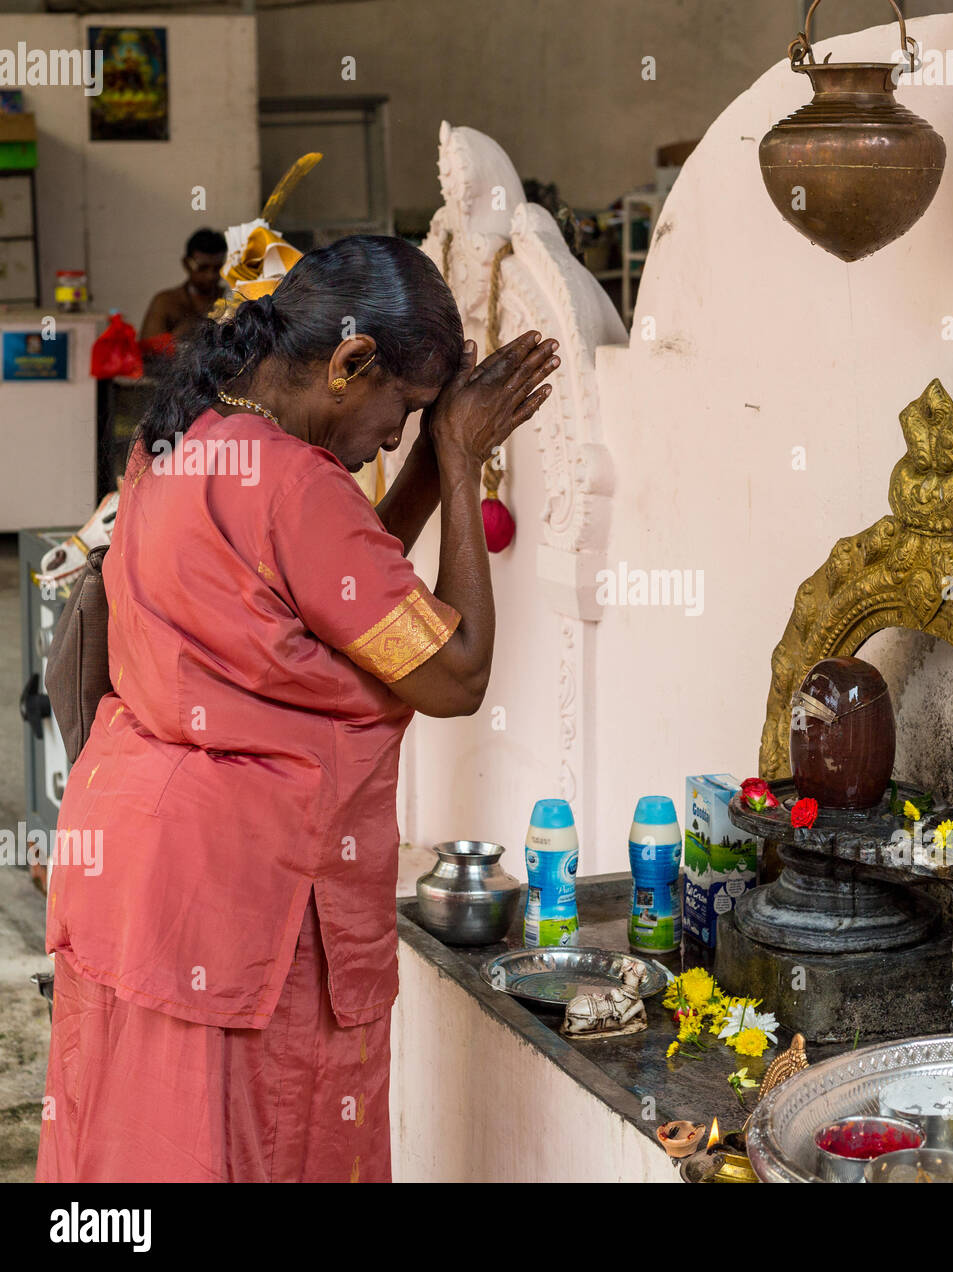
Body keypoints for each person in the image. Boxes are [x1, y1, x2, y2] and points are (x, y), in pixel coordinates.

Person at [36, 234, 560, 1182]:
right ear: (350, 363)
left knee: (139, 1148)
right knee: (251, 1149)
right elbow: (457, 673)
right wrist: (464, 458)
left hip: (140, 870)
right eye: (403, 409)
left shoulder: (186, 441)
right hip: (240, 897)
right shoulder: (294, 483)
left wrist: (434, 468)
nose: (398, 436)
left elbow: (343, 588)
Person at [139, 227, 229, 340]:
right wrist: (175, 338)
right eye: (202, 268)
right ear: (186, 264)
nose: (210, 276)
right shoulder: (166, 302)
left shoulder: (231, 301)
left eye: (217, 268)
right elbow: (146, 351)